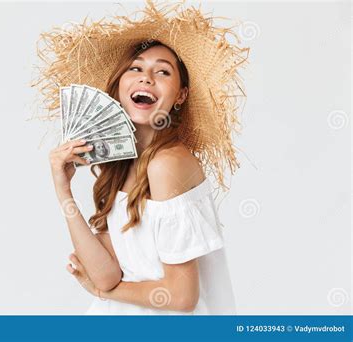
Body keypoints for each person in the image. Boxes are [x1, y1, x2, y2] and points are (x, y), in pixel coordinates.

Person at [36, 1, 250, 315]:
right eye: (135, 68)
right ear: (119, 87)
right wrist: (63, 189)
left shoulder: (168, 164)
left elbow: (181, 296)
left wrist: (102, 292)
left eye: (162, 71)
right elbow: (107, 274)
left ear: (180, 96)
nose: (146, 77)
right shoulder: (121, 163)